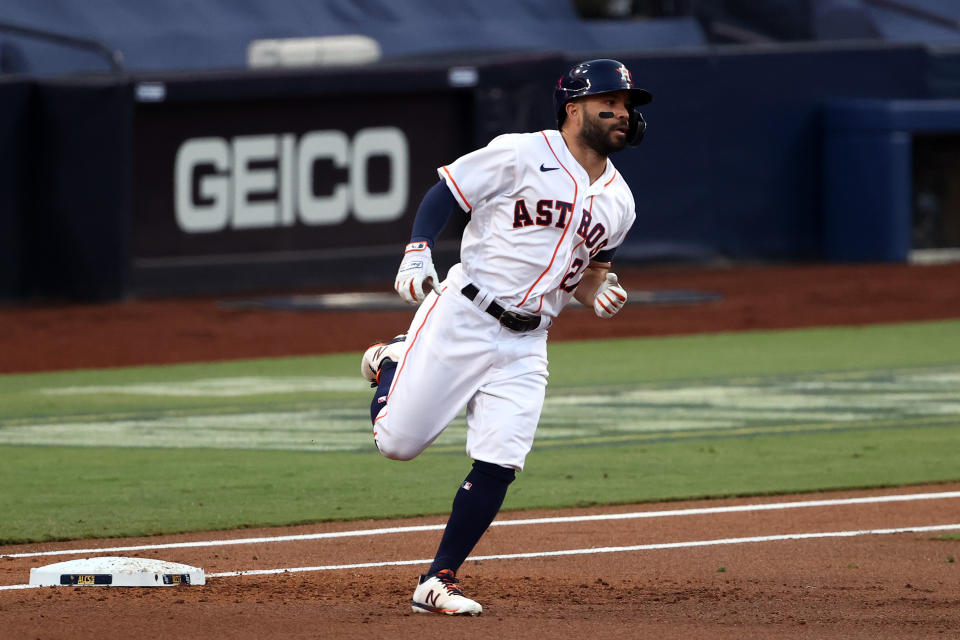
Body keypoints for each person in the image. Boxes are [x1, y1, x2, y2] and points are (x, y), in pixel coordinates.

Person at [360, 58, 652, 616]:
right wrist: (418, 247)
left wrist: (597, 293)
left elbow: (589, 274)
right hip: (462, 317)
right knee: (397, 445)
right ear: (574, 109)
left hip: (528, 341)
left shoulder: (620, 202)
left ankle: (437, 579)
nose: (623, 113)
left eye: (628, 105)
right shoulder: (521, 152)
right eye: (609, 103)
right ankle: (393, 362)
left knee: (501, 458)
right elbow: (447, 190)